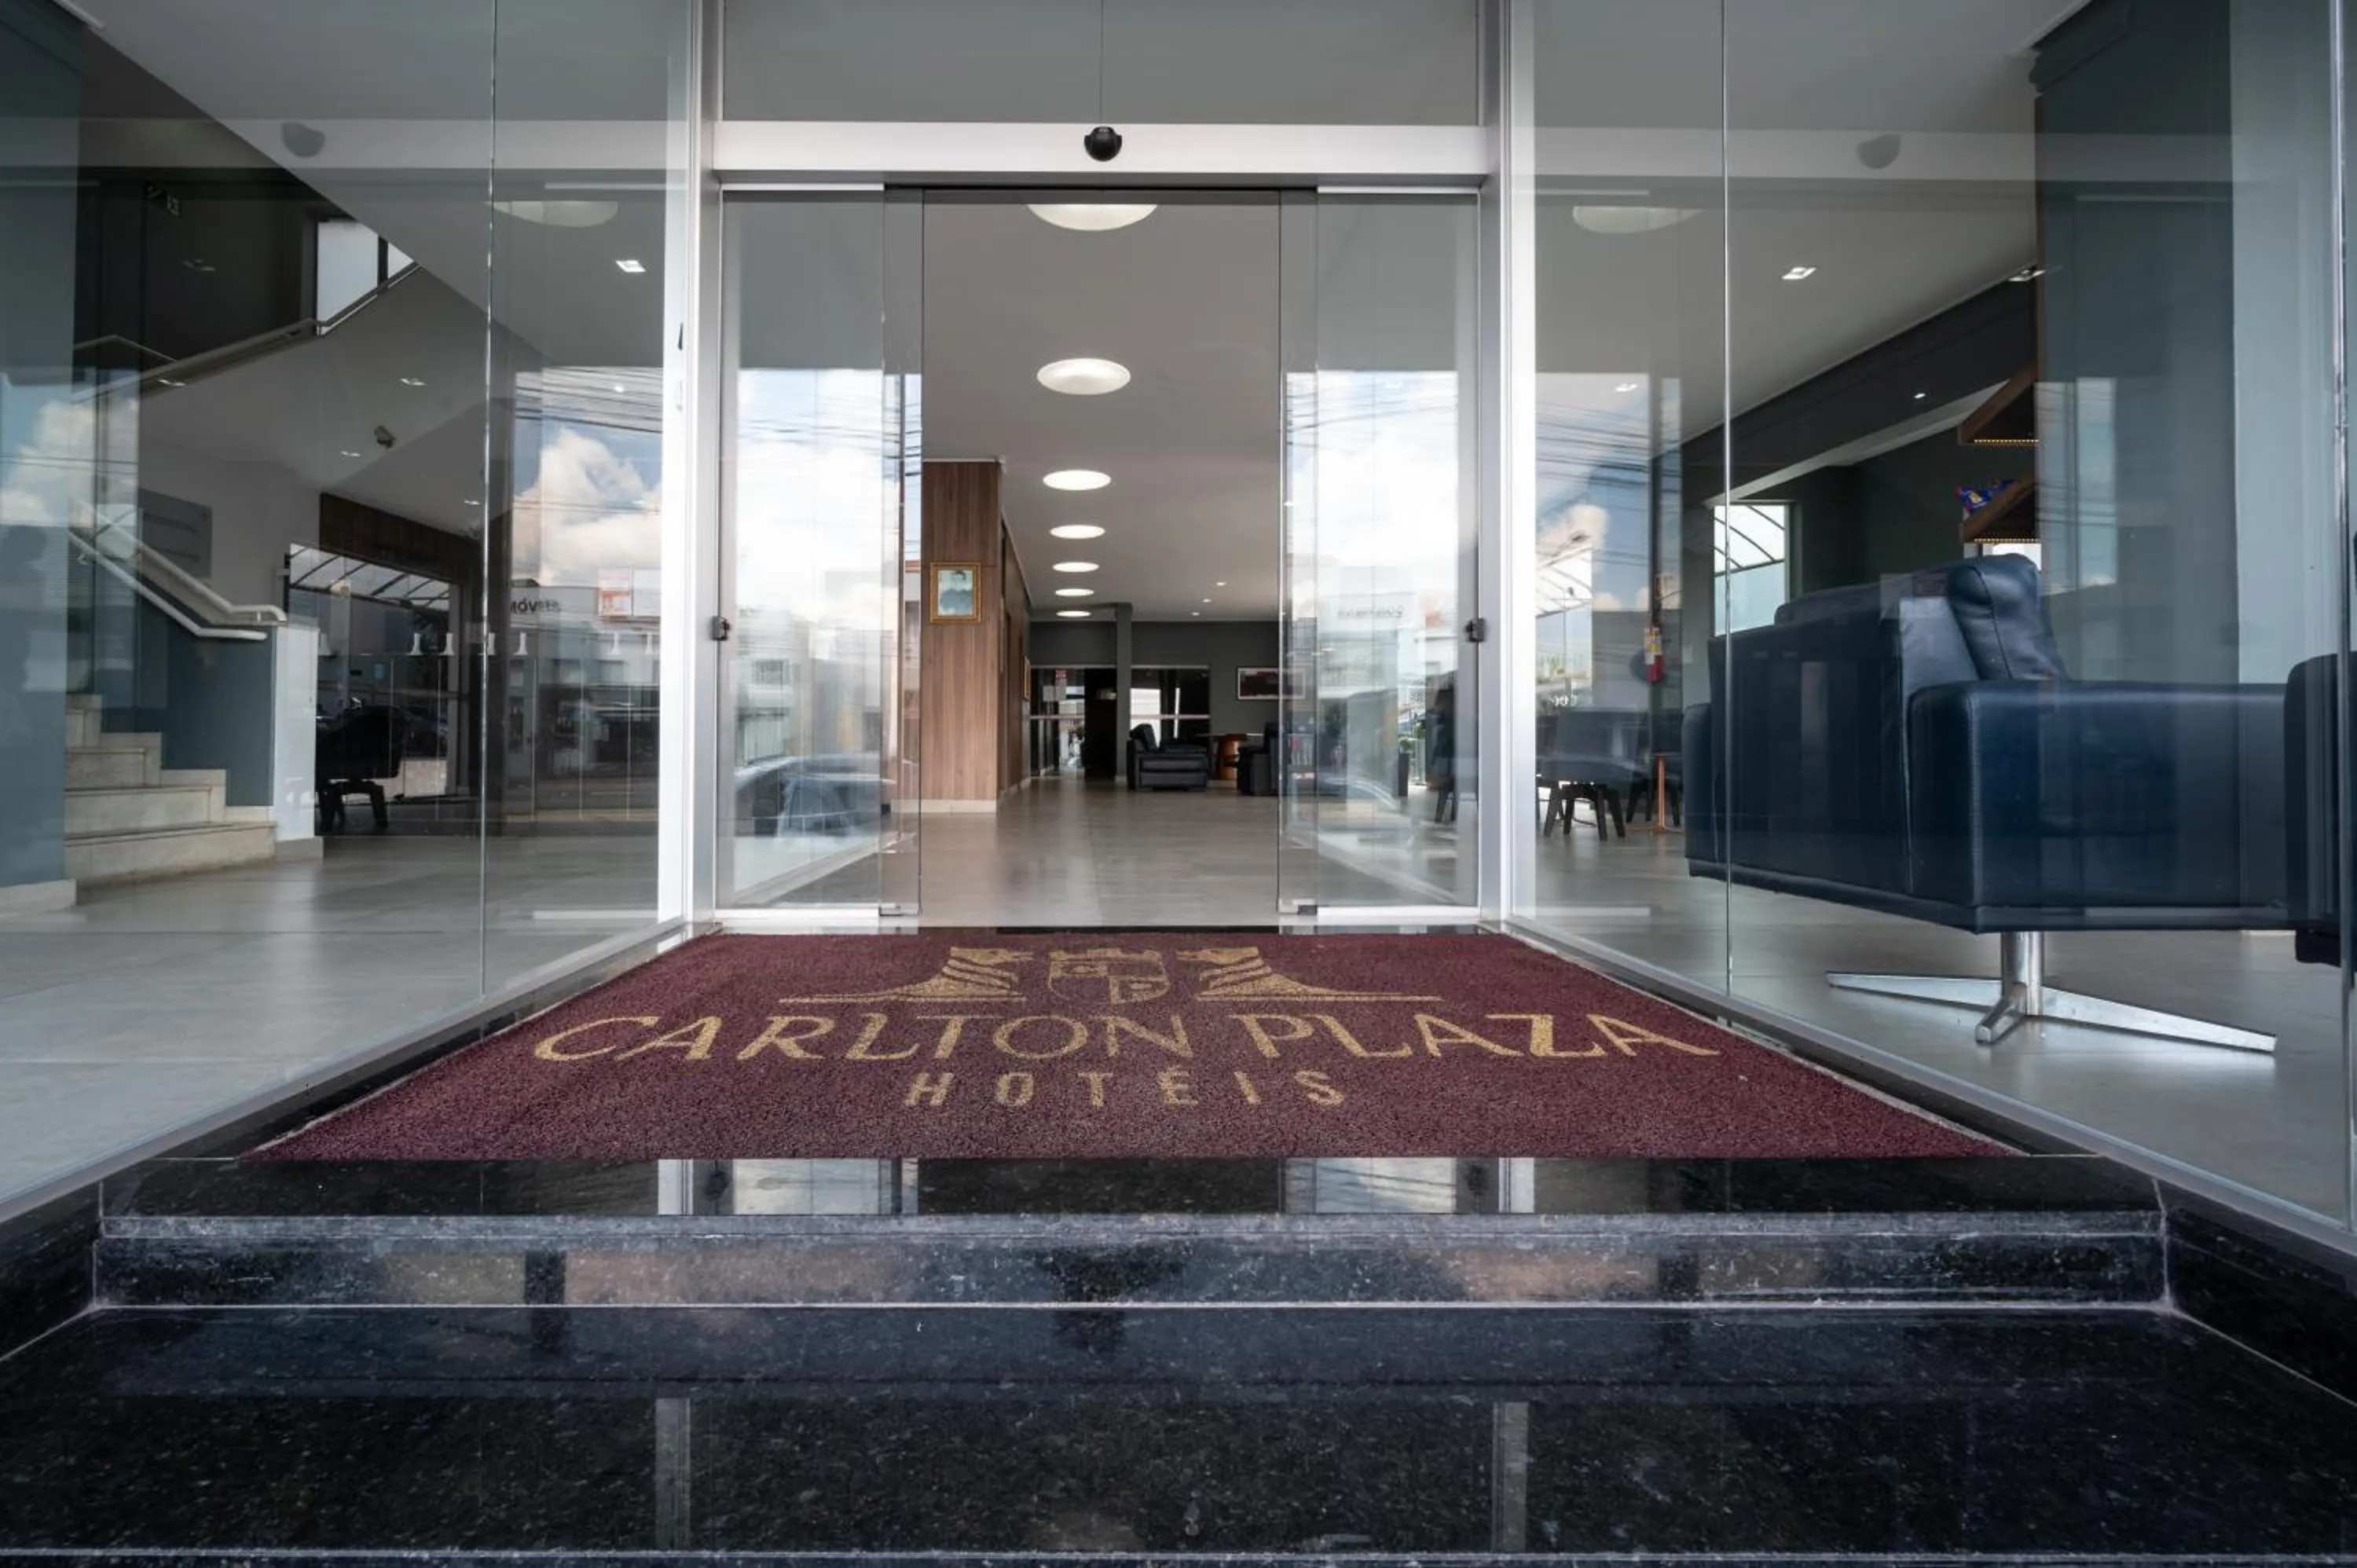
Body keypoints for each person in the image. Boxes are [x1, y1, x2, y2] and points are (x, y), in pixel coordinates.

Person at [1425, 683, 1457, 823]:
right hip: (1449, 759)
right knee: (1449, 789)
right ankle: (1449, 816)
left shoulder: (1444, 721)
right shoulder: (1442, 719)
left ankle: (1444, 816)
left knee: (1446, 790)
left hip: (1448, 759)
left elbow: (1440, 744)